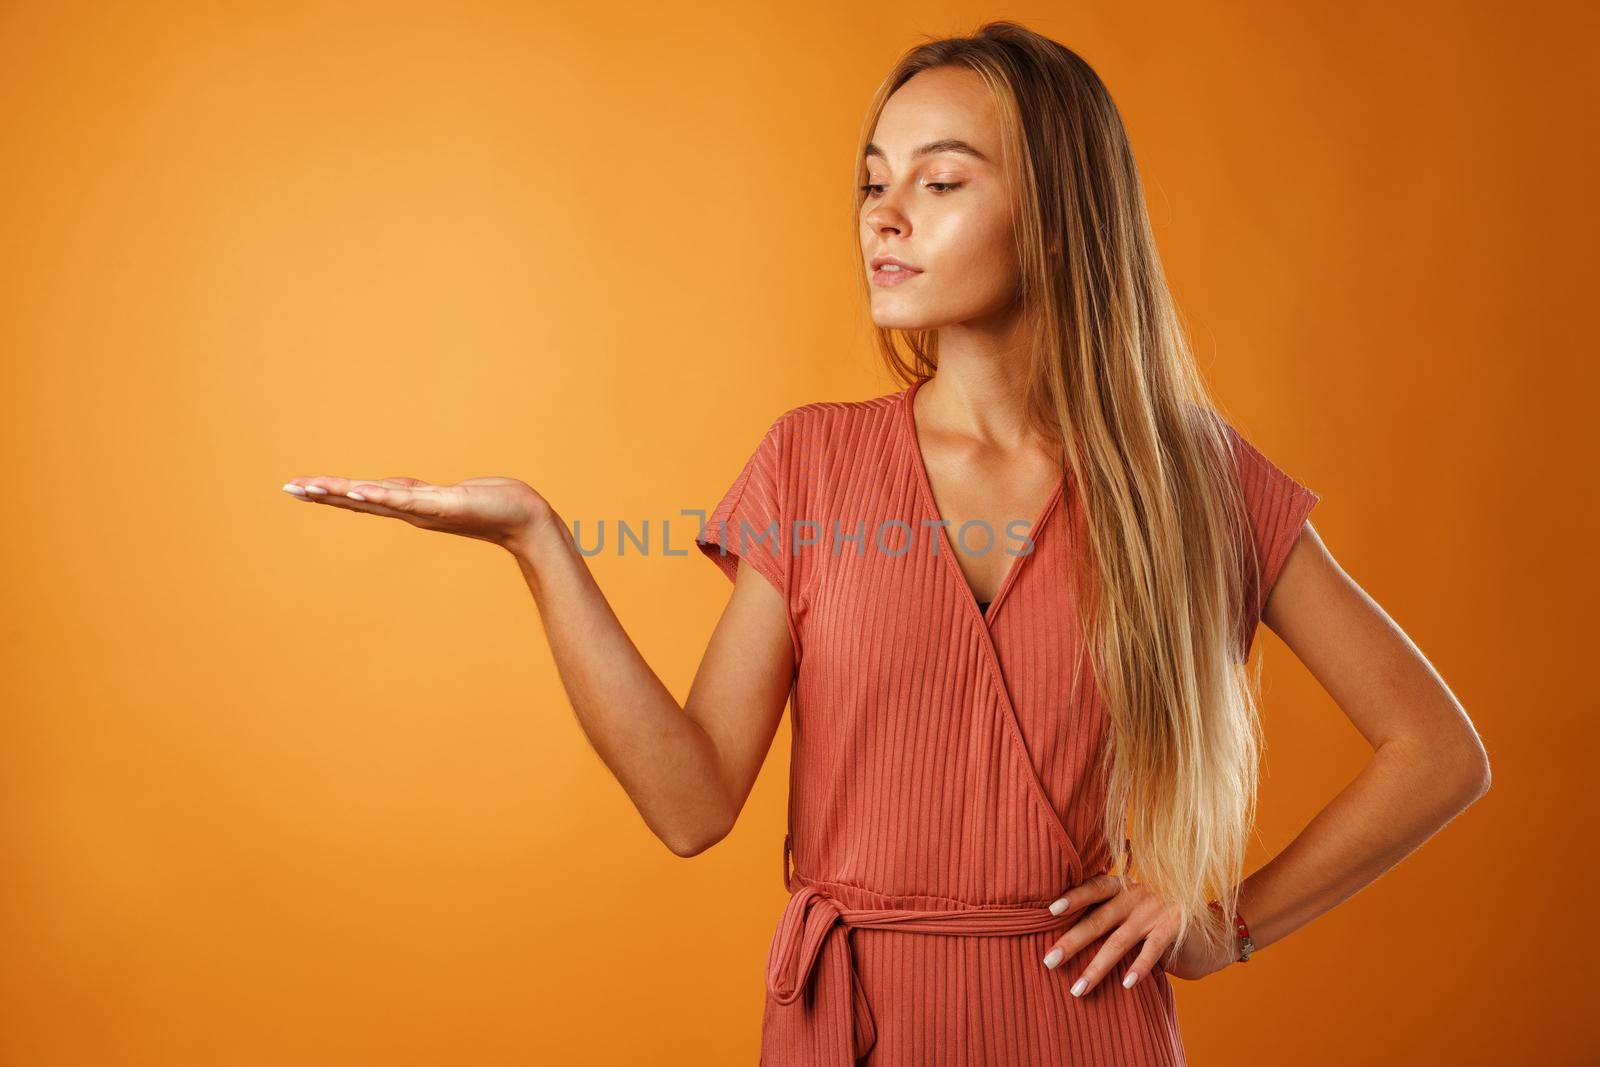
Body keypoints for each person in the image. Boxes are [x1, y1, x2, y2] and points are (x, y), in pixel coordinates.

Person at [280, 20, 1491, 1066]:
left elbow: (1436, 749)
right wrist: (538, 541)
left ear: (1061, 218)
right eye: (873, 181)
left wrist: (1228, 924)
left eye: (942, 181)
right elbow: (691, 799)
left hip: (1079, 1023)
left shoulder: (1191, 480)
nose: (886, 217)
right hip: (850, 1026)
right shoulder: (811, 461)